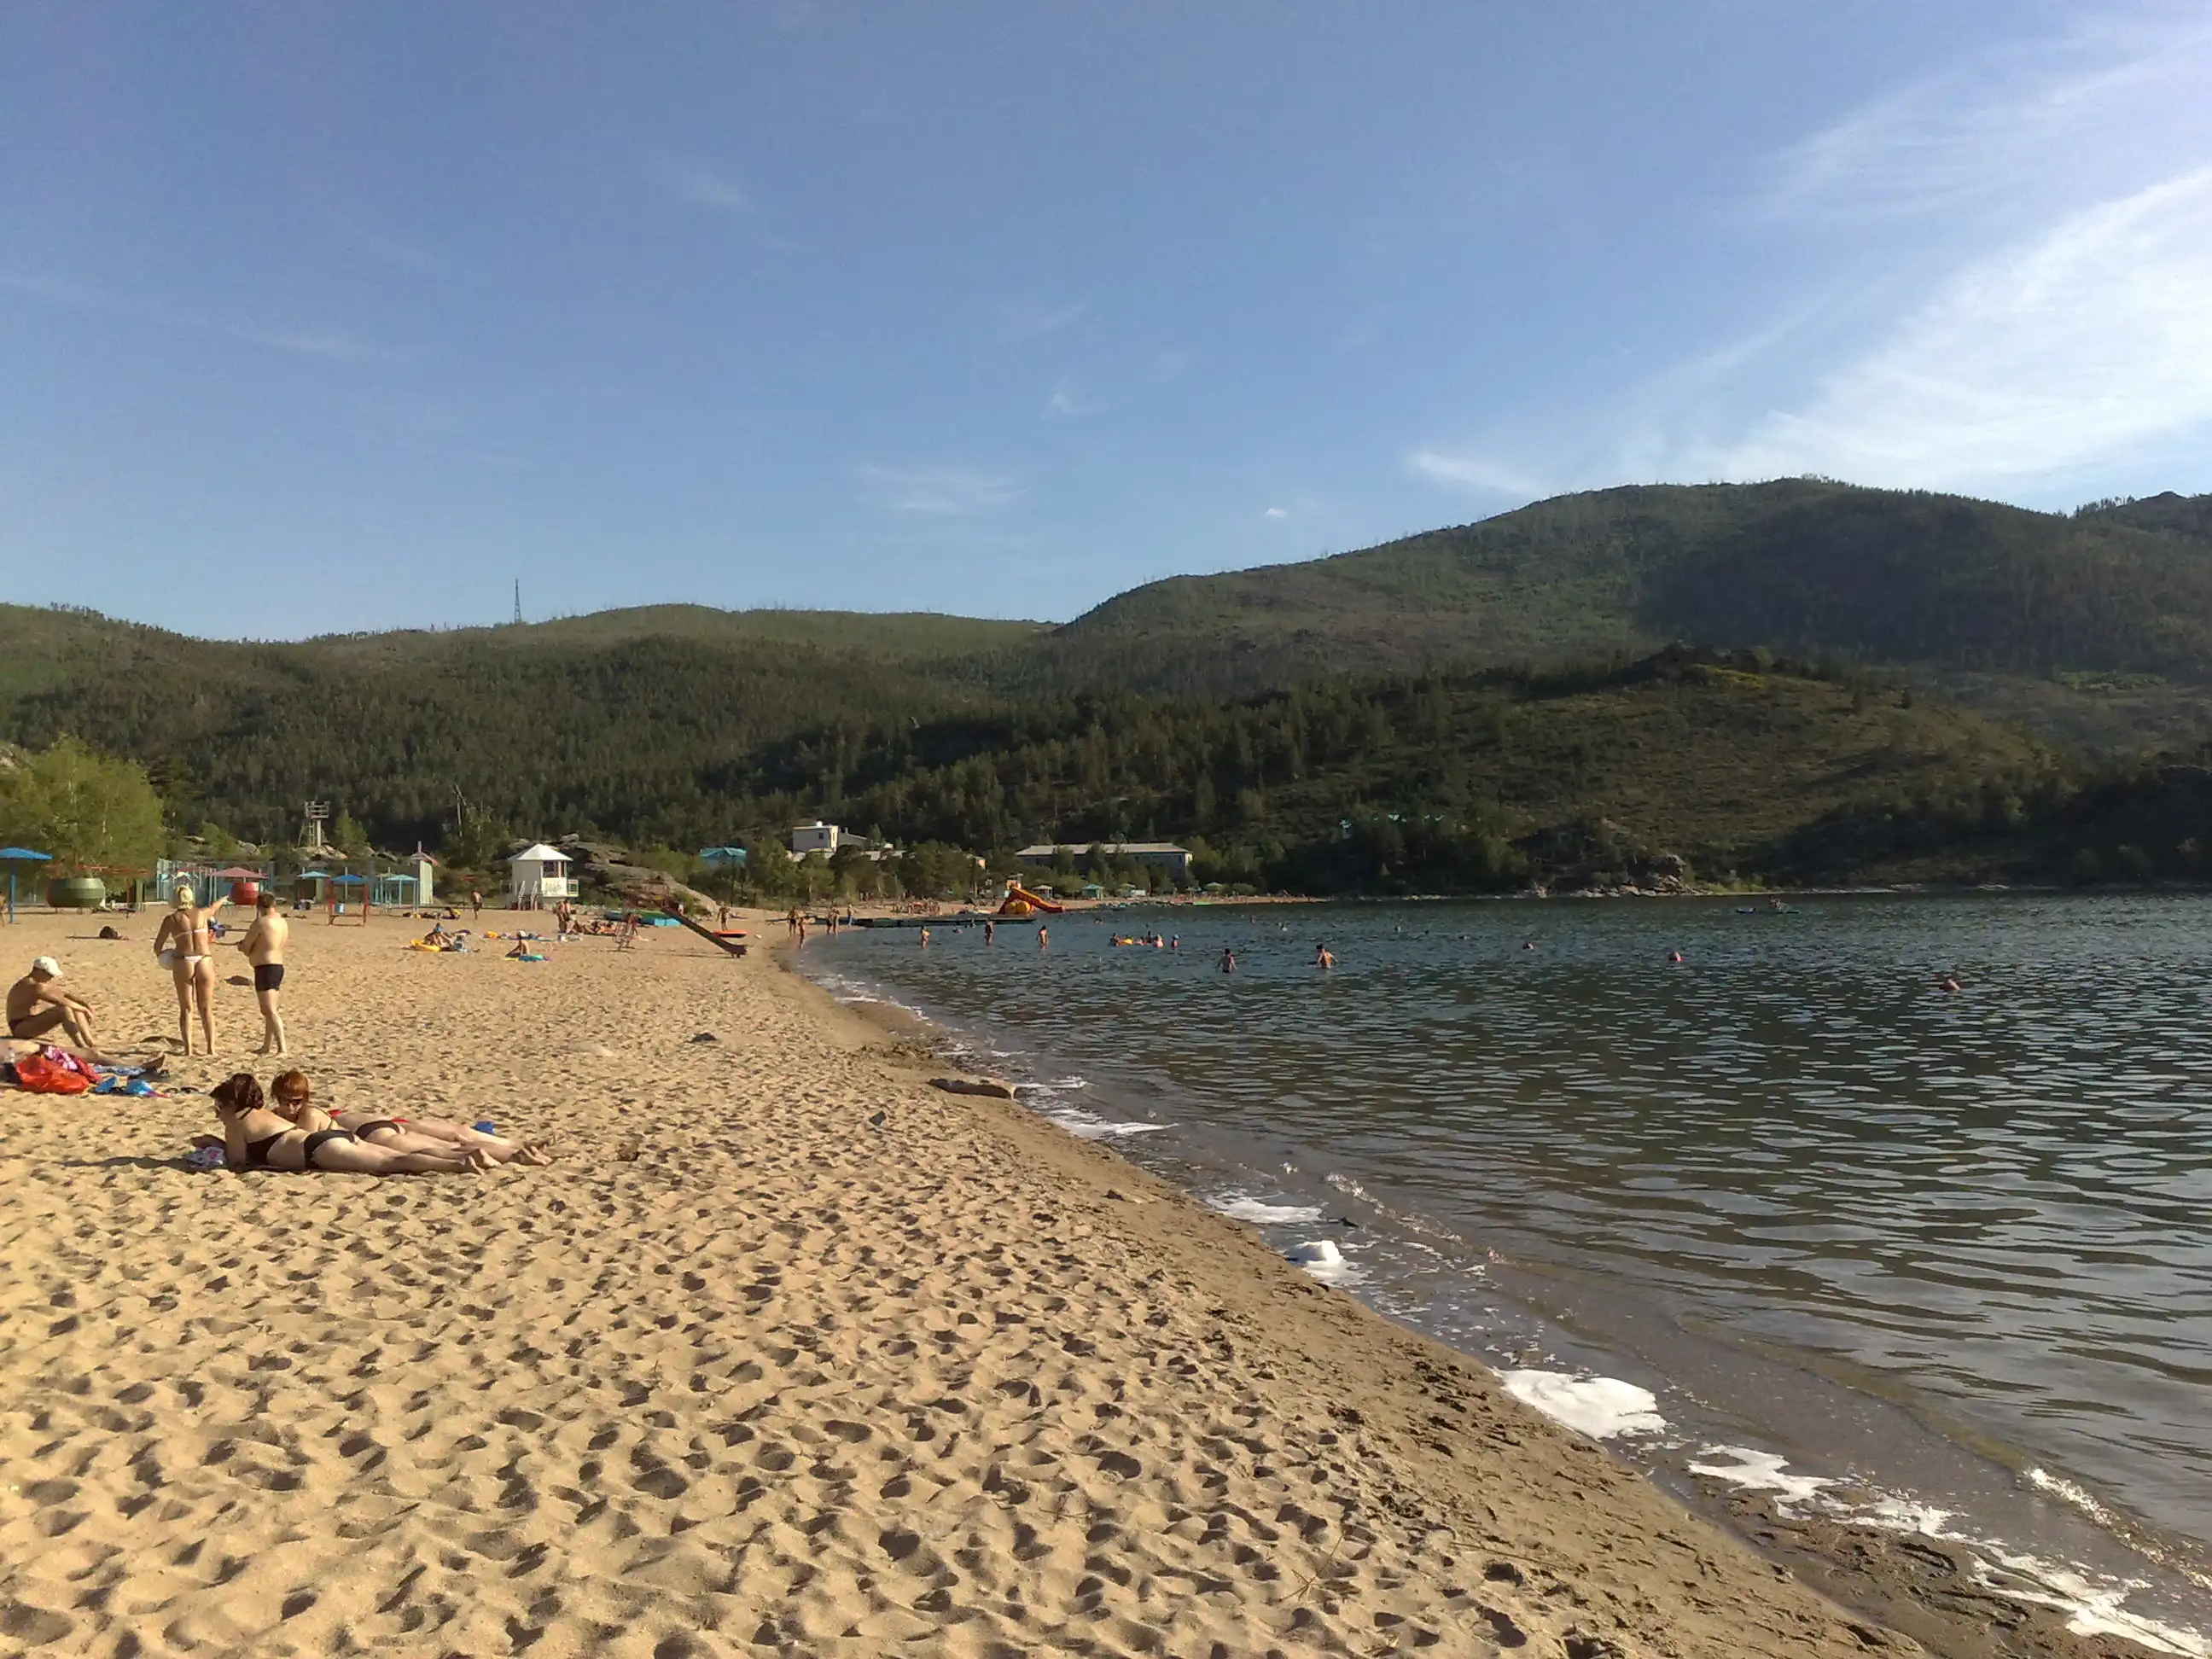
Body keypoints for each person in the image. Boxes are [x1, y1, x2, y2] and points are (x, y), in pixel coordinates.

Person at [210, 1073, 488, 1174]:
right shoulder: (264, 1114)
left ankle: (459, 1164)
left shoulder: (236, 1122)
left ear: (231, 1105)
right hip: (330, 1138)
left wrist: (213, 1144)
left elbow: (238, 1162)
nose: (217, 1113)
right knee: (398, 1155)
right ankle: (466, 1154)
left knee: (392, 1163)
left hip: (319, 1150)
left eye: (218, 1107)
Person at [267, 1069, 553, 1165]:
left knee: (446, 1147)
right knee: (457, 1136)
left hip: (375, 1133)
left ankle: (516, 1154)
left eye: (295, 1101)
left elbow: (304, 1146)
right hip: (387, 1122)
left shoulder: (307, 1116)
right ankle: (518, 1146)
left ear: (305, 1099)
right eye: (284, 1101)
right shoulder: (317, 1111)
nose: (289, 1107)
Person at [5, 958, 123, 1062]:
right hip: (20, 1027)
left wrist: (85, 1005)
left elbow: (64, 994)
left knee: (75, 1008)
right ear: (38, 971)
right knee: (63, 1010)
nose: (51, 978)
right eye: (49, 974)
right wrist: (85, 1010)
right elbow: (61, 1002)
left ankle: (90, 1043)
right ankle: (81, 1046)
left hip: (29, 1022)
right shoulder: (32, 985)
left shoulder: (38, 983)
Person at [152, 885, 222, 1056]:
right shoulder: (202, 914)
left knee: (186, 1008)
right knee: (206, 1008)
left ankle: (188, 1050)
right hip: (204, 959)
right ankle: (211, 1049)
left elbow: (157, 946)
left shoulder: (171, 919)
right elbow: (213, 908)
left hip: (184, 960)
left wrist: (166, 956)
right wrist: (223, 900)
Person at [235, 892, 289, 1056]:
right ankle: (267, 1045)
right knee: (269, 1010)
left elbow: (247, 947)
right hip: (277, 966)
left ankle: (282, 1048)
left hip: (265, 968)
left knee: (270, 1010)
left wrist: (241, 947)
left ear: (259, 907)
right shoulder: (282, 922)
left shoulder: (260, 923)